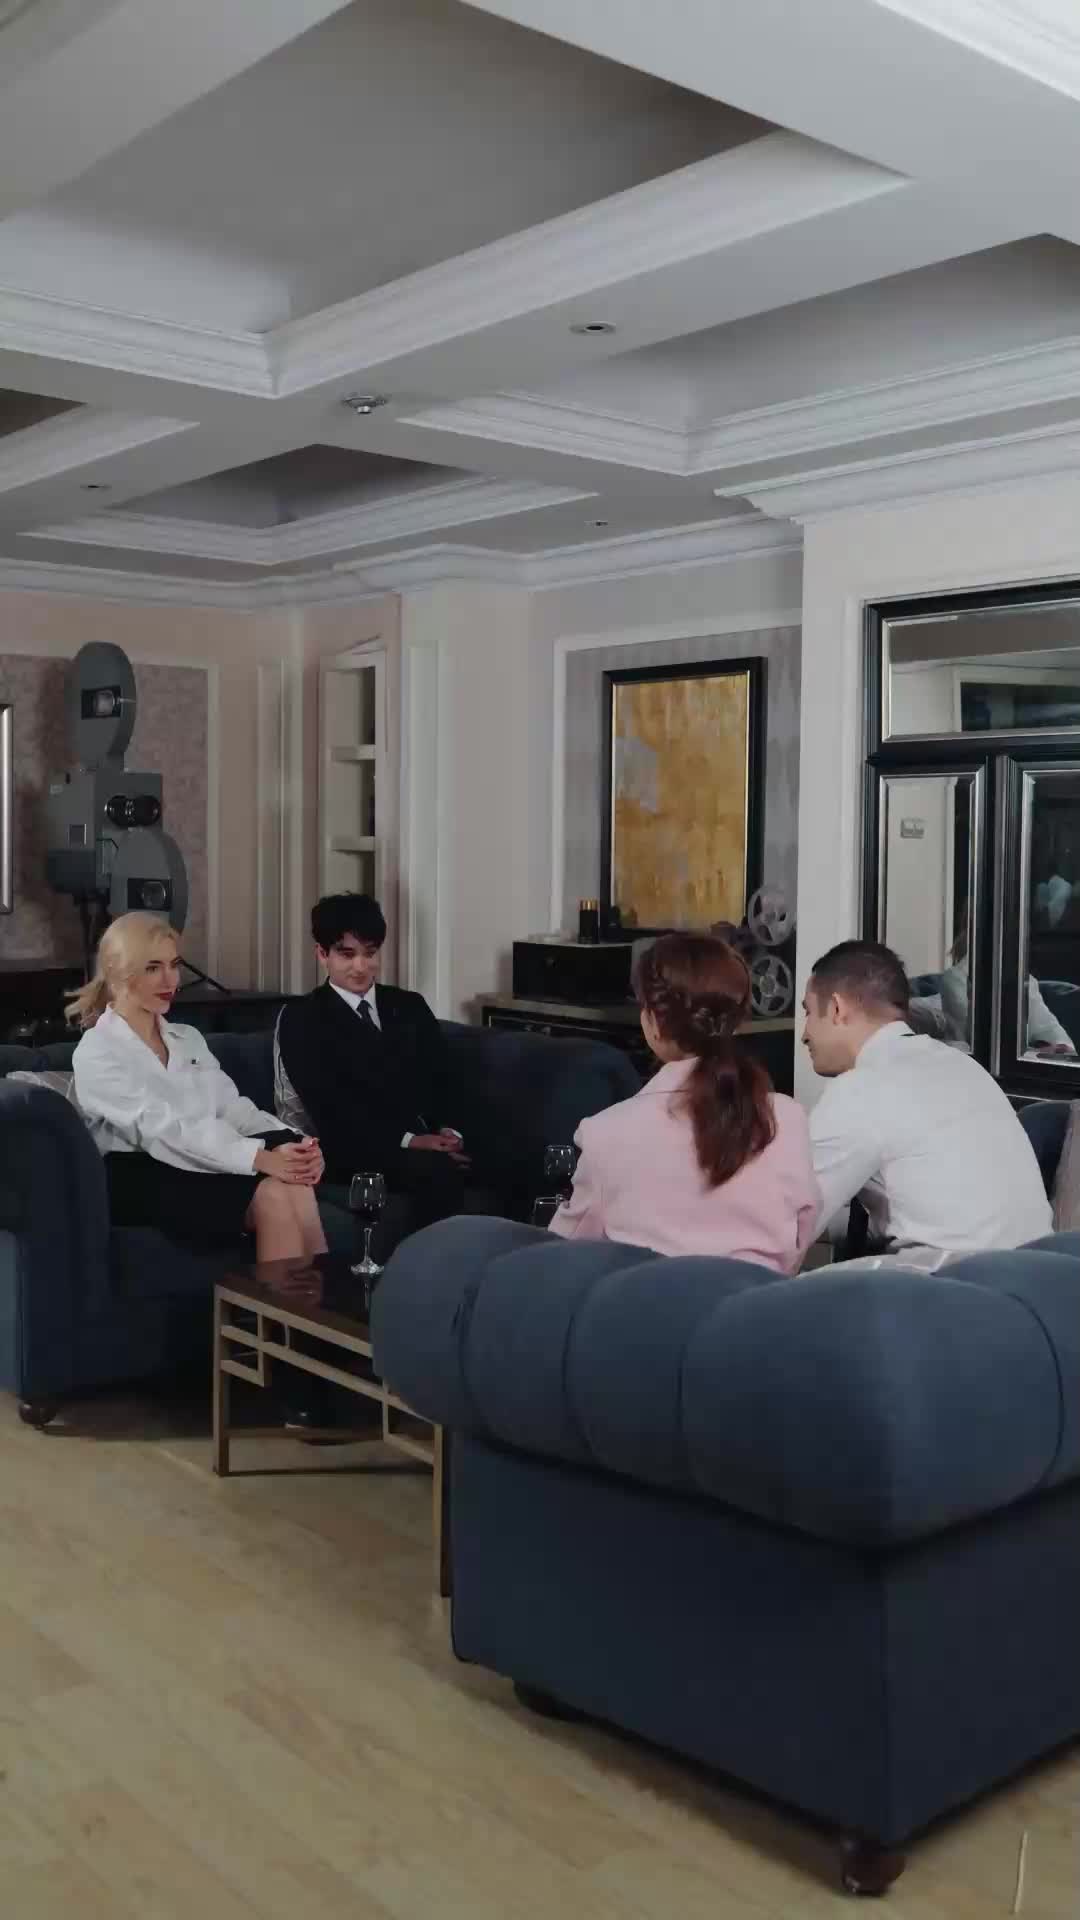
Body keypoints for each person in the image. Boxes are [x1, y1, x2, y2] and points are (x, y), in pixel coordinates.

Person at [549, 932, 819, 1270]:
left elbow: (566, 1250)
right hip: (761, 1301)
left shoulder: (605, 1133)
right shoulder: (786, 1118)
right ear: (734, 1022)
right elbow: (799, 1239)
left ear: (652, 1022)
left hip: (646, 1303)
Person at [70, 911, 326, 1262]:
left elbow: (232, 1108)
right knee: (273, 1195)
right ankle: (286, 1301)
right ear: (117, 974)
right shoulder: (97, 1050)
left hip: (198, 1156)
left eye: (174, 965)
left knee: (296, 1186)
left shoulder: (187, 1038)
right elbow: (162, 1129)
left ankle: (320, 1298)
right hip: (137, 1172)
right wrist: (260, 1158)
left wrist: (298, 1145)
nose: (170, 980)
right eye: (153, 967)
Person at [803, 940, 1051, 1267]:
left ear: (837, 1008)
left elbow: (787, 1230)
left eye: (808, 1012)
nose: (805, 1034)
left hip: (954, 1282)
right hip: (1039, 1275)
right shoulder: (964, 1066)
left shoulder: (861, 1088)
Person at [276, 892, 470, 1231]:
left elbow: (445, 1080)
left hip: (424, 1139)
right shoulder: (303, 1018)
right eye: (347, 954)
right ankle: (436, 1262)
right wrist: (412, 1141)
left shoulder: (409, 1005)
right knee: (436, 1171)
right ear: (322, 954)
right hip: (351, 1148)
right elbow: (331, 1112)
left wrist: (450, 1131)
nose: (361, 967)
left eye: (370, 953)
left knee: (520, 1154)